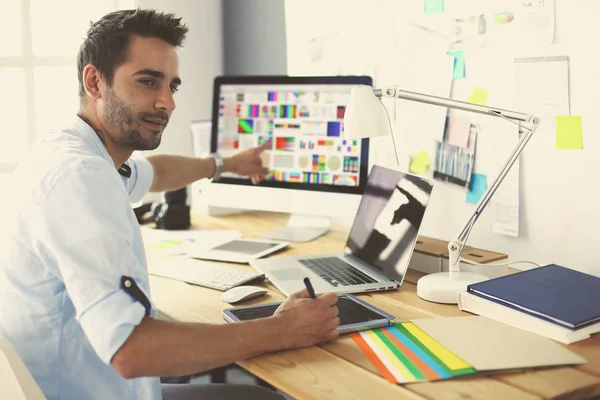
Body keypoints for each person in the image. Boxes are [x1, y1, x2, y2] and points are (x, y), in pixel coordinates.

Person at [0, 9, 340, 400]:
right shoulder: (80, 177)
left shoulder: (74, 152)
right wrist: (283, 329)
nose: (168, 103)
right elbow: (132, 350)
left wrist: (225, 164)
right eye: (148, 82)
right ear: (95, 81)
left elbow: (153, 174)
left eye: (172, 86)